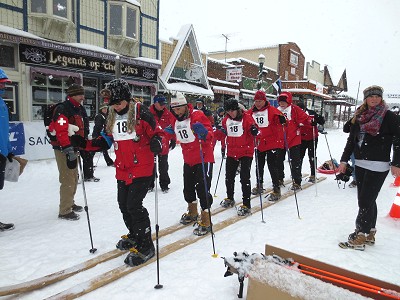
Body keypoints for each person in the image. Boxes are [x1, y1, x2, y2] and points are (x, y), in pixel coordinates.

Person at [103, 78, 164, 266]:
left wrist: (157, 142)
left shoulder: (141, 112)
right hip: (123, 168)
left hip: (142, 167)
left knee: (134, 206)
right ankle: (135, 234)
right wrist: (85, 144)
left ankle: (146, 245)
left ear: (127, 99)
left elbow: (159, 133)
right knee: (123, 204)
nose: (116, 106)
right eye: (112, 103)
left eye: (119, 102)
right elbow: (106, 137)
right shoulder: (112, 114)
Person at [338, 85, 400, 250]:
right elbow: (351, 140)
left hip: (379, 165)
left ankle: (361, 234)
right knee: (368, 199)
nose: (374, 99)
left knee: (365, 200)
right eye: (371, 96)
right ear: (366, 99)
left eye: (377, 96)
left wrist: (396, 162)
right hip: (360, 163)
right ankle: (370, 232)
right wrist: (344, 160)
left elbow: (399, 139)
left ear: (381, 98)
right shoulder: (360, 115)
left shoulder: (388, 116)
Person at [170, 92, 215, 236]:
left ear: (185, 106)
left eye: (178, 109)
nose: (176, 112)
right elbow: (173, 131)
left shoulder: (197, 116)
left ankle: (206, 219)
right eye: (174, 109)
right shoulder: (175, 119)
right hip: (188, 159)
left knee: (202, 189)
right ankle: (193, 212)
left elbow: (210, 135)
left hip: (203, 157)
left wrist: (204, 133)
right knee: (188, 188)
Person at [220, 98, 256, 216]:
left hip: (246, 151)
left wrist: (254, 130)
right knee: (229, 176)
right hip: (232, 151)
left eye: (232, 111)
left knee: (244, 177)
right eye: (228, 111)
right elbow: (223, 130)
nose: (230, 113)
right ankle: (230, 197)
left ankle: (246, 203)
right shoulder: (226, 119)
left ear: (237, 109)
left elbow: (254, 130)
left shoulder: (246, 118)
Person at [247, 90, 286, 201]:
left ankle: (276, 188)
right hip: (258, 143)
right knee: (259, 165)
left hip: (272, 142)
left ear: (265, 101)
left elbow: (284, 122)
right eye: (256, 101)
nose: (258, 103)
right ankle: (259, 184)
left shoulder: (273, 111)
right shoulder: (250, 112)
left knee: (272, 165)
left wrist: (282, 120)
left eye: (260, 101)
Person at [277, 92, 312, 191]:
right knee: (279, 160)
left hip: (293, 139)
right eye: (280, 102)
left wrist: (311, 122)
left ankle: (297, 181)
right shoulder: (276, 110)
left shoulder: (294, 109)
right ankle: (280, 178)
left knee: (295, 161)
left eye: (284, 102)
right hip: (280, 139)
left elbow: (305, 118)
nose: (282, 104)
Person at [148, 94, 176, 193]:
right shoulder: (148, 113)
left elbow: (173, 127)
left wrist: (173, 139)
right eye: (161, 104)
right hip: (151, 143)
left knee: (163, 165)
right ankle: (150, 184)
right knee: (150, 165)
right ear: (155, 103)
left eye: (164, 104)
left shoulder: (168, 114)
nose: (163, 105)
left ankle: (164, 184)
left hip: (164, 143)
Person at [0, 68, 15, 231]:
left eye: (4, 85)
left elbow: (3, 130)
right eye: (1, 85)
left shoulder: (2, 103)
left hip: (2, 151)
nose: (3, 88)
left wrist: (8, 149)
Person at [297, 102, 325, 183]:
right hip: (301, 138)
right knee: (299, 156)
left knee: (311, 156)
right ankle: (298, 173)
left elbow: (321, 121)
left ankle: (313, 174)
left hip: (312, 137)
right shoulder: (295, 114)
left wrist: (317, 120)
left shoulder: (311, 113)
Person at [92, 102, 114, 167]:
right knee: (101, 148)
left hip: (101, 134)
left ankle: (89, 162)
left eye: (106, 108)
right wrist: (98, 134)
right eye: (103, 109)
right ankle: (109, 162)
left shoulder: (104, 116)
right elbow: (98, 126)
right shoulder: (99, 116)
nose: (105, 110)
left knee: (98, 148)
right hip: (99, 134)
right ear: (101, 109)